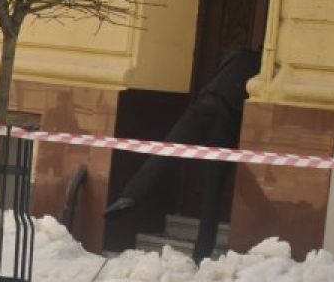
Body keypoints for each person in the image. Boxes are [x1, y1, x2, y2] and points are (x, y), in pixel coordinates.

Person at [104, 47, 262, 260]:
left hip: (202, 105)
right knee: (213, 190)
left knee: (165, 152)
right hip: (226, 116)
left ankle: (129, 196)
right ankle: (201, 254)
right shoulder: (265, 68)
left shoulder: (238, 55)